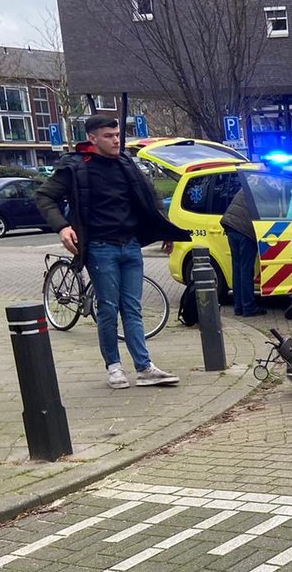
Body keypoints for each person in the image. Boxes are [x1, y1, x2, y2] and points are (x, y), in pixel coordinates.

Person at [35, 115, 191, 389]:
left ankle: (144, 367)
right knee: (108, 307)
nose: (116, 140)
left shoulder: (126, 164)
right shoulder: (76, 166)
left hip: (130, 245)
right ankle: (114, 367)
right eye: (109, 136)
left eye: (117, 135)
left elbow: (149, 196)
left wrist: (164, 228)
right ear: (92, 138)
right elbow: (44, 196)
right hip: (100, 247)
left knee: (132, 308)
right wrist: (62, 227)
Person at [220, 189, 266, 317]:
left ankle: (238, 307)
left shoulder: (249, 182)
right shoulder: (264, 188)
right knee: (246, 270)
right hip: (244, 231)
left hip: (231, 227)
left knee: (238, 270)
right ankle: (248, 307)